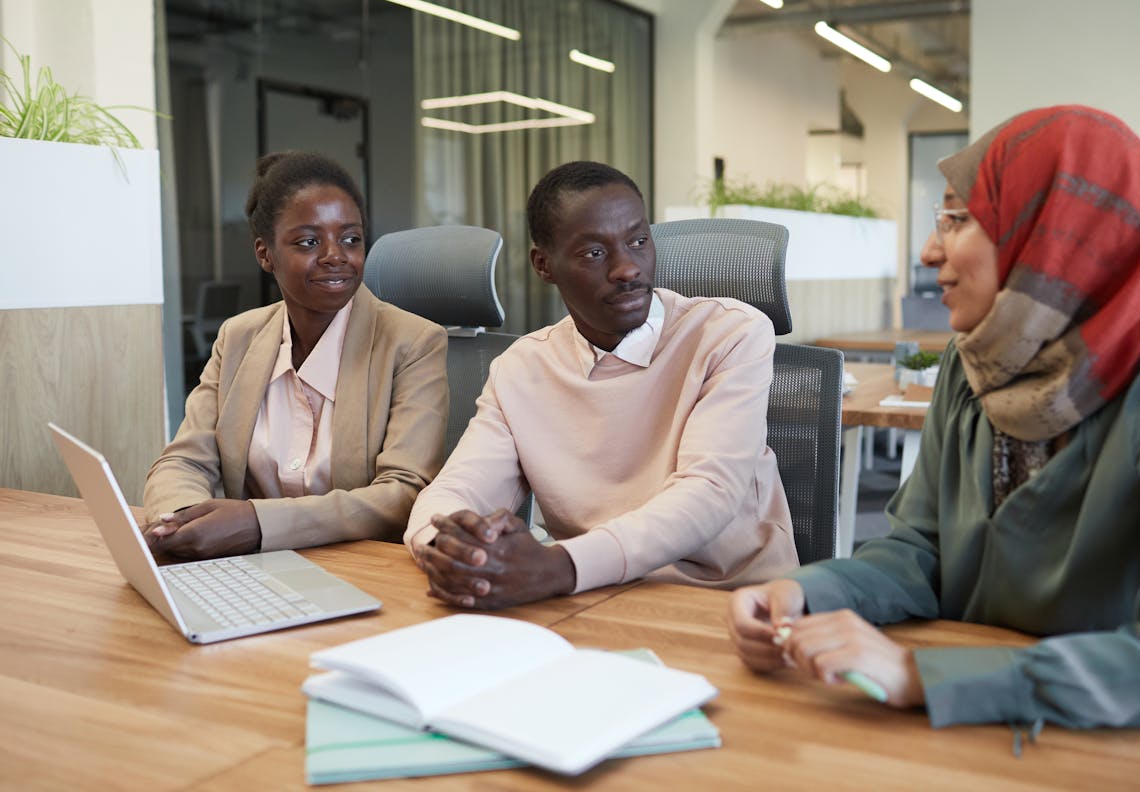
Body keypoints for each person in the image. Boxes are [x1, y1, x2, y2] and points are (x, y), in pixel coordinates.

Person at [728, 105, 1140, 729]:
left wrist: (917, 675)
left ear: (1051, 236)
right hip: (967, 730)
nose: (930, 250)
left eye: (958, 219)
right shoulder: (974, 363)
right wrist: (803, 593)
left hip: (1103, 743)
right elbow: (919, 551)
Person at [404, 160, 798, 608]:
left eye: (638, 241)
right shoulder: (522, 368)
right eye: (594, 253)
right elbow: (460, 487)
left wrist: (558, 566)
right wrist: (446, 547)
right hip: (593, 597)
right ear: (544, 264)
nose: (627, 268)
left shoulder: (730, 333)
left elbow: (710, 492)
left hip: (732, 601)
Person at [143, 151, 449, 560]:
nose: (335, 255)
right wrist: (181, 521)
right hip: (250, 573)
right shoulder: (238, 337)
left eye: (351, 239)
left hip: (365, 570)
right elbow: (184, 460)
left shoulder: (413, 342)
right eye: (309, 241)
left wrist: (257, 523)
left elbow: (403, 494)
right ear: (265, 253)